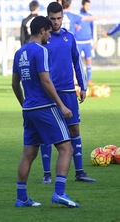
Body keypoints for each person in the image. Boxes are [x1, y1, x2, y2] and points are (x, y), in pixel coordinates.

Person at [12, 15, 79, 208]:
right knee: (67, 149)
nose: (50, 34)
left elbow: (14, 84)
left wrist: (24, 103)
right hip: (44, 107)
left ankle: (21, 197)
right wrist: (62, 105)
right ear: (42, 31)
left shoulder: (20, 52)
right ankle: (59, 193)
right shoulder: (41, 50)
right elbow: (46, 81)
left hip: (29, 109)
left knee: (28, 153)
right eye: (49, 31)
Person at [40, 1, 96, 184]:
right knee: (46, 133)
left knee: (74, 129)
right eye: (52, 19)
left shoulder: (69, 37)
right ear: (47, 17)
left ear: (63, 18)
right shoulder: (43, 40)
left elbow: (77, 63)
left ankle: (79, 172)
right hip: (48, 94)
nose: (56, 22)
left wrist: (83, 86)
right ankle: (47, 175)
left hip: (69, 91)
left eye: (59, 18)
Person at [75, 0, 95, 86]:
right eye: (86, 5)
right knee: (77, 62)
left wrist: (94, 41)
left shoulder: (90, 17)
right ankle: (77, 80)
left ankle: (89, 80)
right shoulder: (77, 16)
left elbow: (93, 29)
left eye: (89, 6)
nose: (88, 7)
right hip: (78, 42)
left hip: (88, 42)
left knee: (89, 60)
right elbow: (73, 27)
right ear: (82, 5)